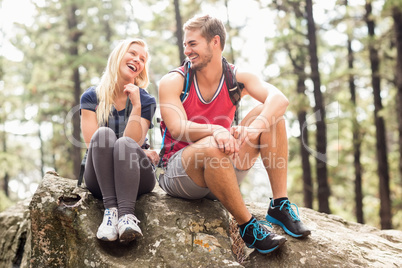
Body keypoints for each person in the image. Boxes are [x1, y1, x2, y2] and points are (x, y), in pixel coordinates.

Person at [158, 14, 310, 254]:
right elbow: (178, 128)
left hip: (222, 168)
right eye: (185, 44)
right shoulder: (174, 81)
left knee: (271, 115)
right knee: (212, 145)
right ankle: (248, 227)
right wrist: (217, 130)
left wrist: (254, 128)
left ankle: (280, 204)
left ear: (215, 42)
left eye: (193, 44)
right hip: (181, 172)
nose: (186, 50)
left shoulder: (236, 78)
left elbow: (279, 99)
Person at [80, 38, 158, 243]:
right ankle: (110, 213)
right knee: (103, 135)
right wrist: (143, 151)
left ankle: (126, 216)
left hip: (136, 176)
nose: (137, 60)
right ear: (118, 56)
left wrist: (137, 106)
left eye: (142, 59)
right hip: (100, 177)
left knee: (125, 144)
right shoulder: (91, 97)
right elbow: (93, 145)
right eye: (132, 53)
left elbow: (134, 142)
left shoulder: (146, 100)